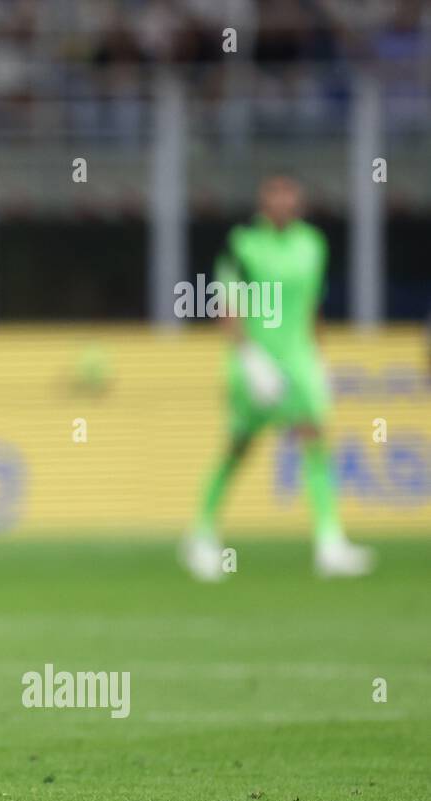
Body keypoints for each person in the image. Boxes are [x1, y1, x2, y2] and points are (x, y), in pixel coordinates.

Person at [183, 174, 373, 580]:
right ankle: (201, 534)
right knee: (238, 447)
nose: (284, 203)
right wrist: (250, 358)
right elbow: (225, 306)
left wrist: (321, 359)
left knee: (316, 438)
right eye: (276, 195)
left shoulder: (312, 244)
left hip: (299, 361)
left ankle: (329, 542)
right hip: (255, 362)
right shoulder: (243, 245)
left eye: (291, 195)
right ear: (263, 202)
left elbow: (311, 305)